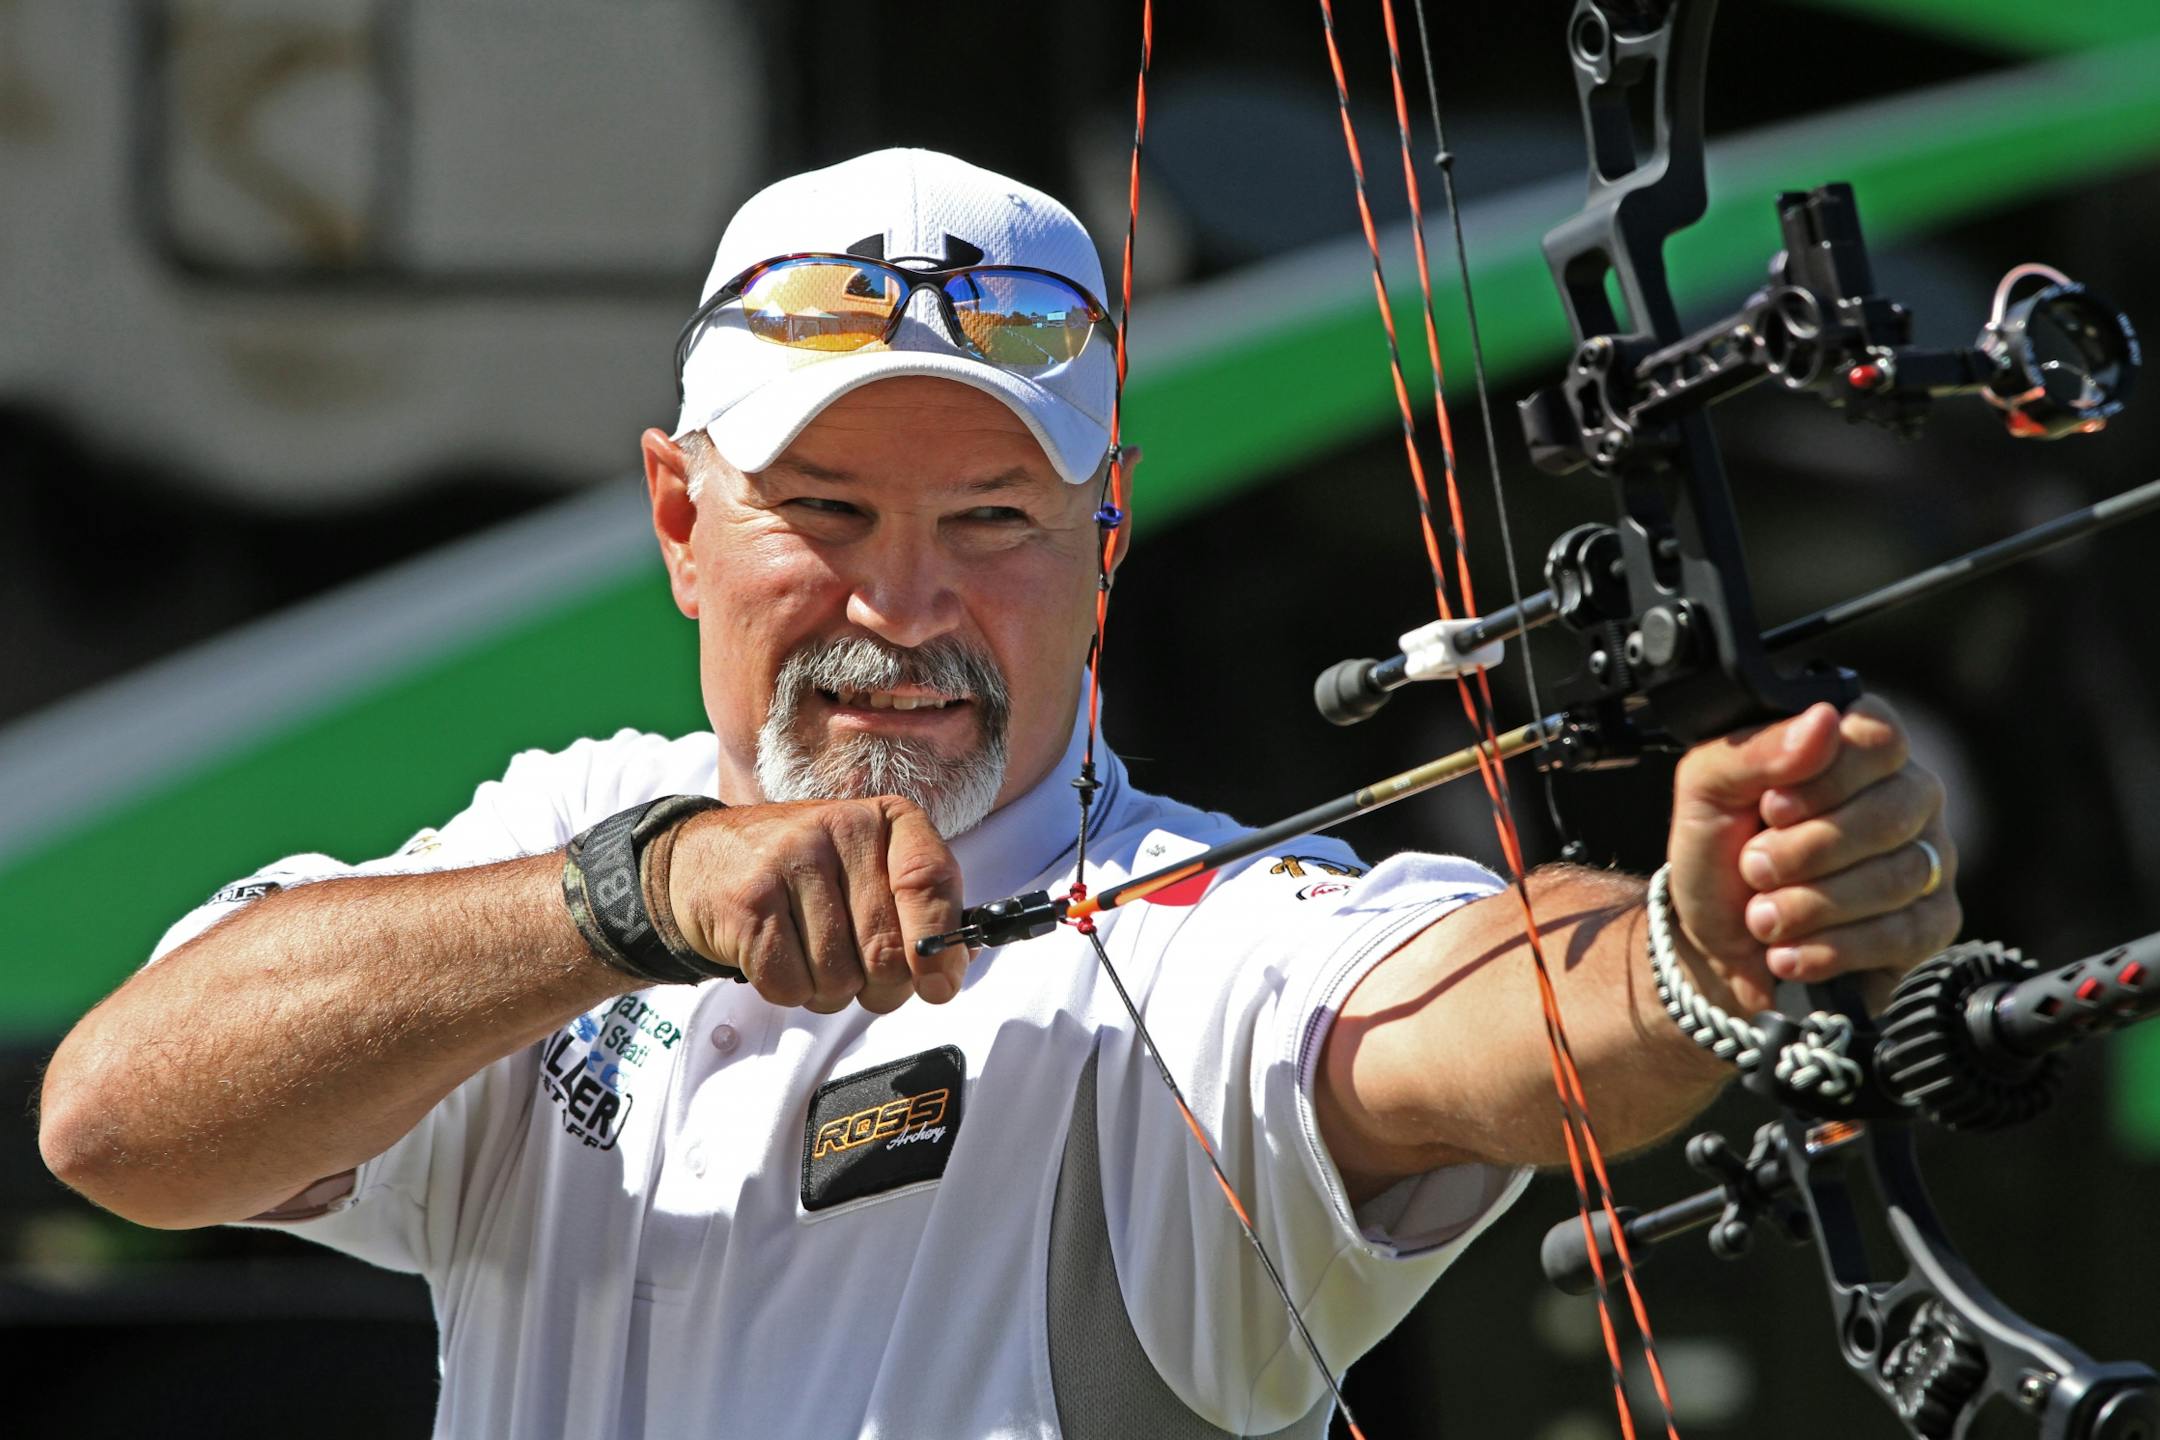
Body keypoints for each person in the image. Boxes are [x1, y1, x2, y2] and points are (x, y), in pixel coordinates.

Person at [37, 149, 1957, 1438]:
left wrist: (1702, 949)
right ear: (677, 520)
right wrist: (627, 901)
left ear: (1106, 539)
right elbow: (120, 1126)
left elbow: (1484, 1019)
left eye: (995, 522)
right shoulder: (578, 828)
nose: (908, 603)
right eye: (826, 513)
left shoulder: (1206, 946)